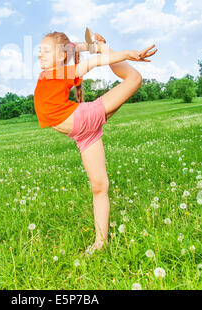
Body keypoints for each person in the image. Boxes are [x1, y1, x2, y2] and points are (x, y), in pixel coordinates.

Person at [34, 30, 157, 254]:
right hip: (83, 134)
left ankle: (101, 243)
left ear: (61, 56)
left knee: (135, 79)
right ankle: (101, 244)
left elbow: (92, 63)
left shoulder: (61, 72)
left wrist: (127, 53)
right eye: (38, 51)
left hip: (85, 118)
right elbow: (75, 49)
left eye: (45, 51)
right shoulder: (53, 73)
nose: (39, 55)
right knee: (100, 187)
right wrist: (94, 45)